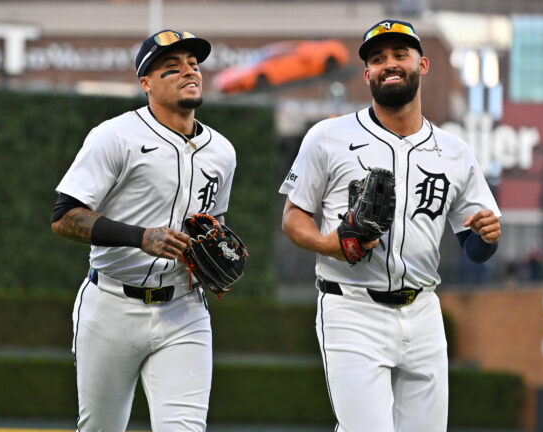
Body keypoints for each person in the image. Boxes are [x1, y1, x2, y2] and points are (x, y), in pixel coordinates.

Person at [279, 20, 501, 431]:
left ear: (423, 64)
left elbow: (473, 242)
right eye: (378, 59)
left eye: (400, 55)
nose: (389, 65)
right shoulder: (328, 136)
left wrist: (487, 237)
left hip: (423, 311)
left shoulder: (454, 152)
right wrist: (329, 244)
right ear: (367, 75)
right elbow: (293, 217)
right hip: (351, 307)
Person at [51, 29, 237, 432]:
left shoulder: (222, 151)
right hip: (112, 304)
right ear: (145, 83)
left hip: (184, 309)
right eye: (172, 68)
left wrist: (217, 250)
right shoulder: (114, 137)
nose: (189, 72)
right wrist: (140, 237)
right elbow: (64, 217)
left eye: (194, 65)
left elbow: (213, 222)